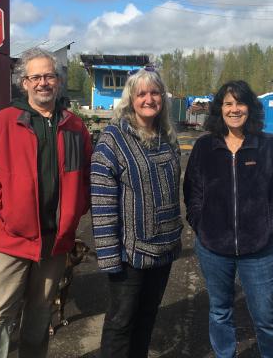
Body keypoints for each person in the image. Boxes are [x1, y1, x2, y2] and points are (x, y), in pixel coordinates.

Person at [0, 48, 92, 358]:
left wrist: (76, 209)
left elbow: (86, 175)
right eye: (35, 77)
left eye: (49, 76)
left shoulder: (75, 127)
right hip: (11, 241)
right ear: (24, 82)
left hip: (55, 243)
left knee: (38, 316)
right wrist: (5, 209)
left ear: (59, 82)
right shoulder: (5, 122)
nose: (43, 83)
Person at [184, 80, 273, 358]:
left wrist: (268, 225)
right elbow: (192, 190)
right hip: (213, 247)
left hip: (259, 248)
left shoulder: (269, 145)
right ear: (219, 108)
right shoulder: (205, 147)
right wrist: (200, 223)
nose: (234, 109)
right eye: (228, 103)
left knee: (266, 316)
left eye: (239, 103)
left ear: (250, 107)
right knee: (220, 312)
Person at [91, 67, 182, 357]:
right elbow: (102, 203)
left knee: (147, 318)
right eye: (141, 93)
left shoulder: (167, 136)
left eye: (154, 92)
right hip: (129, 254)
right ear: (130, 99)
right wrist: (108, 257)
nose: (149, 99)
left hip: (164, 248)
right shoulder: (112, 140)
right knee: (121, 323)